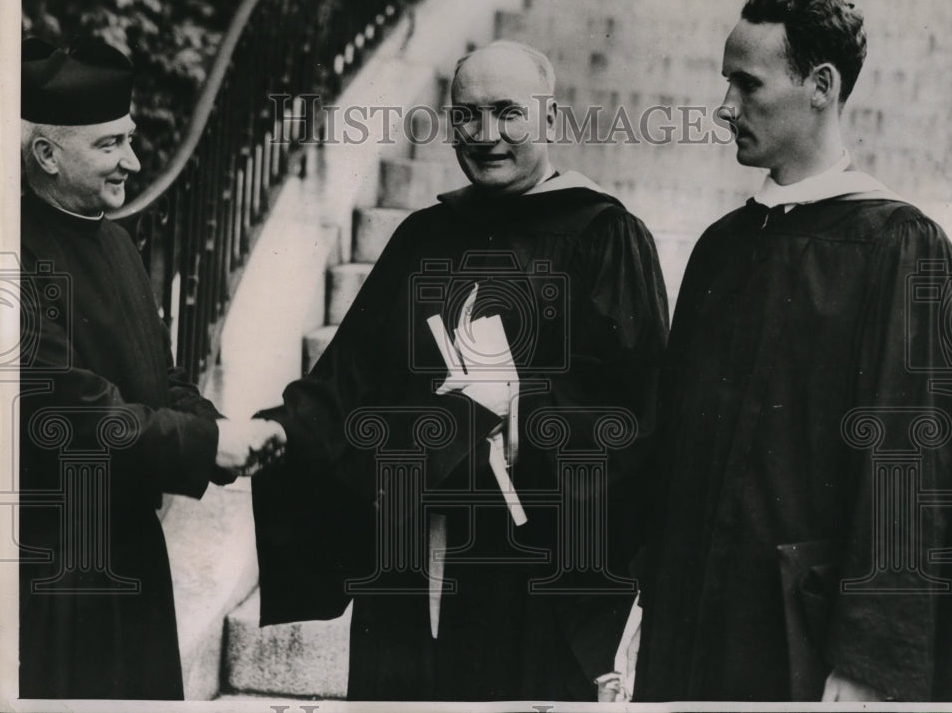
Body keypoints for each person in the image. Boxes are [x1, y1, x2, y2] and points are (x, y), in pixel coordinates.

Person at [252, 40, 669, 701]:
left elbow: (638, 410)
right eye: (467, 116)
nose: (485, 135)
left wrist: (522, 410)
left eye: (508, 113)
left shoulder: (605, 238)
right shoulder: (423, 237)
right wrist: (281, 431)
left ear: (551, 121)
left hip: (529, 565)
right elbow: (346, 377)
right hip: (410, 555)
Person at [633, 0, 952, 703]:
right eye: (725, 83)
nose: (725, 109)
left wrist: (870, 664)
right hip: (689, 628)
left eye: (747, 85)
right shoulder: (722, 249)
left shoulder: (897, 245)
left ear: (821, 86)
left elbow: (909, 471)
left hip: (801, 639)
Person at [18, 38, 286, 699]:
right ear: (45, 155)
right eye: (110, 145)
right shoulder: (8, 256)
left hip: (133, 556)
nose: (133, 162)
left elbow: (158, 378)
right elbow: (67, 413)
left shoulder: (114, 239)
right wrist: (202, 444)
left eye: (129, 139)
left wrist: (217, 431)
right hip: (50, 576)